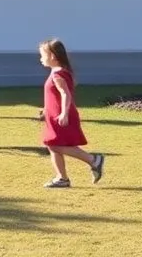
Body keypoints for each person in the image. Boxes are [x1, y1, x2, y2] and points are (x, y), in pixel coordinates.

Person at [38, 38, 104, 188]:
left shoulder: (58, 75)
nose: (40, 59)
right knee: (52, 145)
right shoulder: (58, 72)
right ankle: (62, 178)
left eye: (42, 55)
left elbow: (65, 94)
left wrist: (64, 114)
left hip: (61, 116)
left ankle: (93, 160)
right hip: (54, 116)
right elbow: (53, 96)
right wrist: (46, 110)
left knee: (53, 145)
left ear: (52, 57)